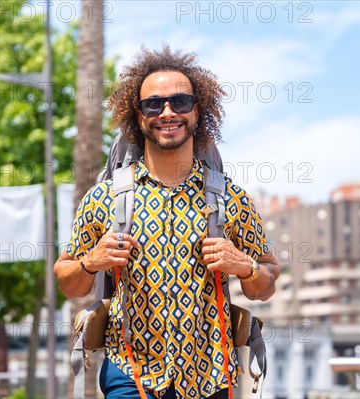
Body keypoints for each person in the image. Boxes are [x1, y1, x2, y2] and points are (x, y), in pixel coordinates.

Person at [54, 46, 280, 399]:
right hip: (130, 376)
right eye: (154, 104)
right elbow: (67, 281)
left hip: (210, 378)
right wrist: (91, 261)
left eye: (180, 101)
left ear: (198, 110)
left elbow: (265, 286)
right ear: (139, 116)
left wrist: (245, 266)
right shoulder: (106, 198)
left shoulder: (230, 199)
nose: (168, 112)